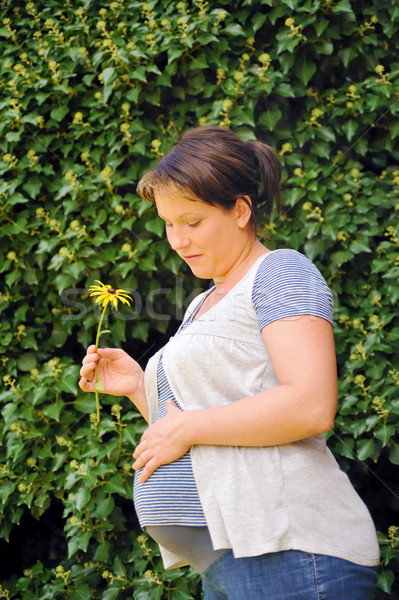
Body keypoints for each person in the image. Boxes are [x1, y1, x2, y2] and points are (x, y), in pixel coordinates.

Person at [79, 126, 380, 599]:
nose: (177, 240)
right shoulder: (203, 303)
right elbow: (199, 429)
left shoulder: (280, 271)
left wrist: (187, 426)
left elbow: (310, 405)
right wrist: (141, 388)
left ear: (240, 210)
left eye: (192, 222)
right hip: (227, 564)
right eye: (168, 223)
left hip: (295, 556)